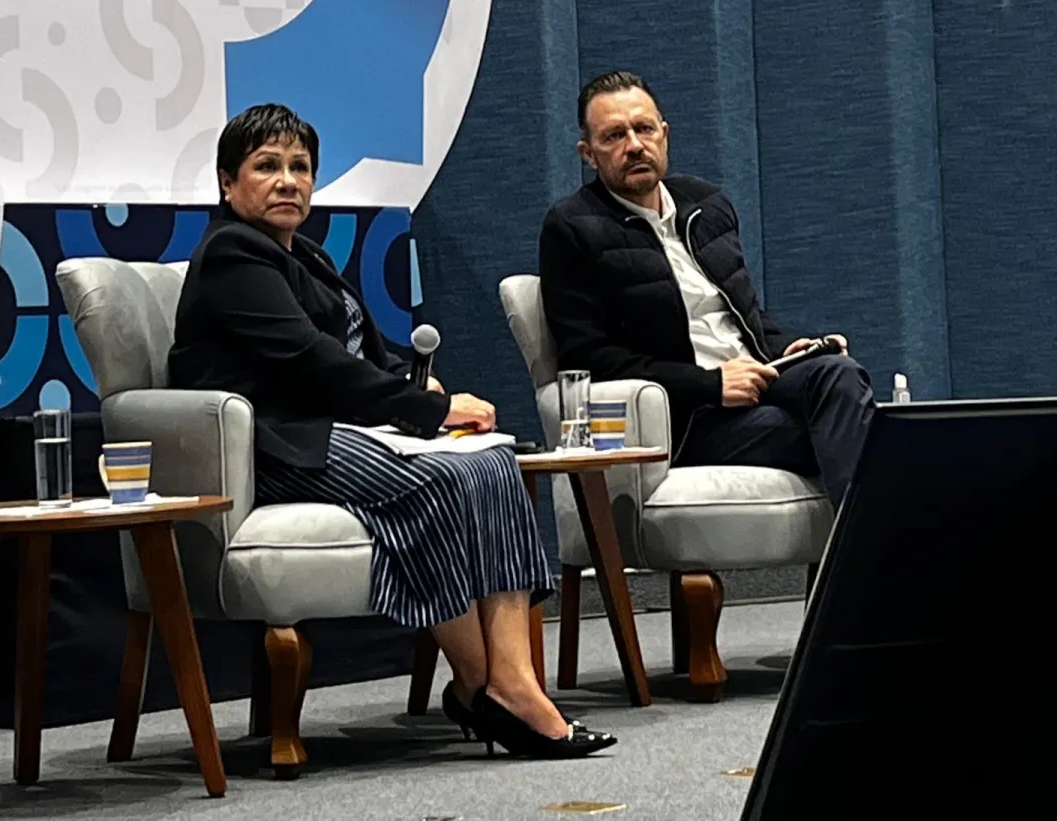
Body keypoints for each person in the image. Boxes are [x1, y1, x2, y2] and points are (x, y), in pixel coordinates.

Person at [168, 103, 614, 759]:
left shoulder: (305, 255)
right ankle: (483, 686)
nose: (288, 181)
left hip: (339, 430)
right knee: (439, 478)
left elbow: (359, 355)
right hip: (279, 445)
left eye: (300, 167)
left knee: (493, 462)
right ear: (228, 182)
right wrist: (430, 410)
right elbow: (312, 361)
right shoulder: (231, 254)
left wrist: (413, 381)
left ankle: (514, 683)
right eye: (267, 167)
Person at [538, 71, 874, 509]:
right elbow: (589, 359)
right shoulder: (571, 227)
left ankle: (868, 548)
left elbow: (743, 317)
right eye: (614, 136)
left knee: (838, 373)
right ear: (588, 155)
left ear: (665, 134)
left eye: (644, 129)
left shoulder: (706, 203)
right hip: (688, 417)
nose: (635, 145)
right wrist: (709, 384)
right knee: (846, 432)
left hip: (758, 379)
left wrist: (789, 349)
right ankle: (877, 548)